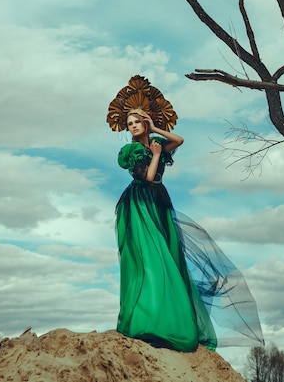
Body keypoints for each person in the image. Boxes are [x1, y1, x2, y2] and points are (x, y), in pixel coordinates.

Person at [107, 75, 264, 352]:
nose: (132, 127)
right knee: (153, 264)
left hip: (160, 206)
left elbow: (179, 139)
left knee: (171, 260)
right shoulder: (132, 151)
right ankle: (143, 323)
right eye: (129, 123)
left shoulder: (154, 141)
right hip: (140, 206)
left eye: (136, 122)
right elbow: (149, 177)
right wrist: (155, 154)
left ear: (145, 122)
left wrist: (156, 128)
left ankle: (167, 324)